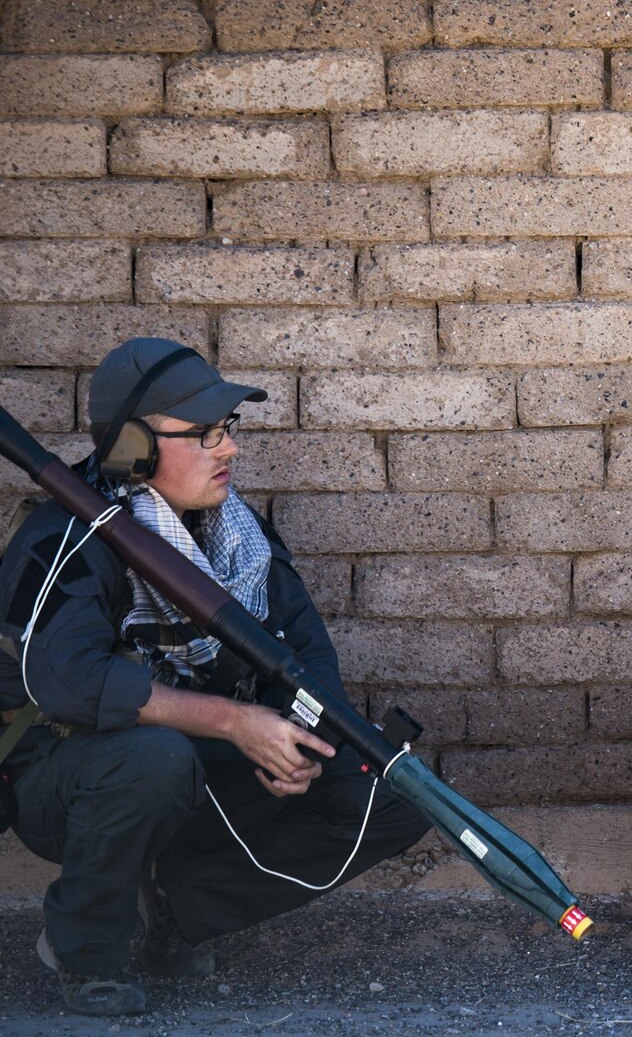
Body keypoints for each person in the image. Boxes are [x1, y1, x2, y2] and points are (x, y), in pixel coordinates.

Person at [0, 338, 429, 1017]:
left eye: (227, 429)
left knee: (397, 786)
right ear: (132, 448)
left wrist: (305, 744)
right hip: (69, 777)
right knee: (151, 758)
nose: (227, 448)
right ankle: (84, 948)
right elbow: (68, 681)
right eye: (203, 434)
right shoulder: (67, 538)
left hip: (197, 769)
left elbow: (306, 654)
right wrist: (235, 721)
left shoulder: (234, 535)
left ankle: (171, 907)